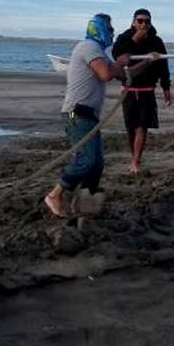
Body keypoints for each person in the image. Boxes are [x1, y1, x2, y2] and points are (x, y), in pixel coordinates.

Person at [43, 13, 159, 218]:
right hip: (75, 114)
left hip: (89, 116)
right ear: (100, 28)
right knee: (87, 160)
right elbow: (106, 74)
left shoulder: (100, 54)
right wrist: (122, 59)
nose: (113, 33)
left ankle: (85, 205)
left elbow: (123, 74)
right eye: (110, 28)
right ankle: (55, 194)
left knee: (97, 164)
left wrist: (148, 62)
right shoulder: (88, 47)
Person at [111, 8, 172, 174]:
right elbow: (117, 55)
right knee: (131, 127)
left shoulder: (157, 41)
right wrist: (135, 40)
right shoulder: (124, 38)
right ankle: (133, 158)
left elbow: (163, 66)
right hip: (128, 89)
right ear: (133, 22)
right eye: (140, 21)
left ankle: (136, 160)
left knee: (142, 126)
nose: (143, 24)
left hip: (147, 89)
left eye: (147, 21)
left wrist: (166, 87)